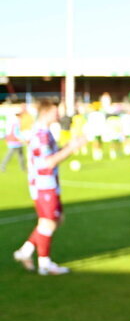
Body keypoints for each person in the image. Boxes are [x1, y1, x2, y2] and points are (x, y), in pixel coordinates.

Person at [12, 99, 86, 274]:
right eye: (55, 111)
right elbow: (48, 162)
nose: (58, 114)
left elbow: (53, 154)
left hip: (50, 183)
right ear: (46, 113)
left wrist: (69, 146)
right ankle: (44, 264)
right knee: (48, 222)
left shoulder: (45, 132)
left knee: (56, 220)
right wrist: (72, 148)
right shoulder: (41, 134)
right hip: (44, 184)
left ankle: (26, 251)